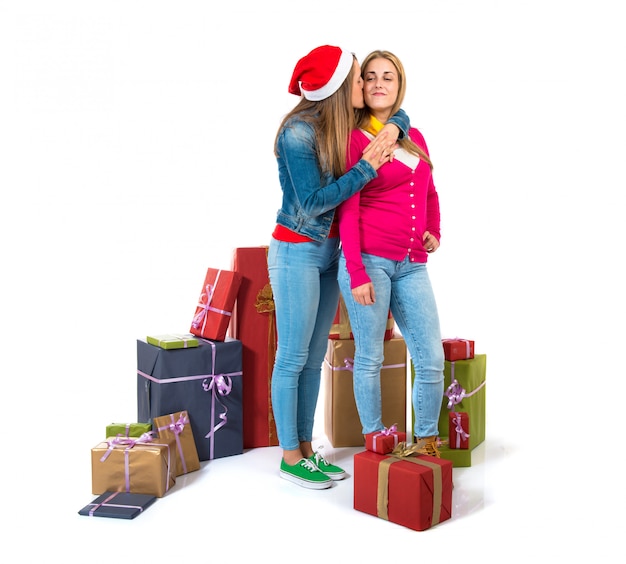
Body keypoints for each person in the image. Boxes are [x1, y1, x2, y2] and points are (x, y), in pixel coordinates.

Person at [268, 45, 411, 489]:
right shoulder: (298, 132)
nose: (364, 86)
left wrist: (394, 127)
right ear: (334, 88)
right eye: (355, 80)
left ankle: (308, 450)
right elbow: (311, 205)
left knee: (314, 358)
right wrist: (367, 167)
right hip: (297, 250)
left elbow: (401, 115)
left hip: (332, 253)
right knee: (292, 357)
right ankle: (290, 455)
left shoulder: (343, 122)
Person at [337, 50, 445, 457]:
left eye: (389, 77)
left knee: (430, 357)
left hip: (412, 264)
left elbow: (430, 190)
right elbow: (346, 208)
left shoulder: (413, 137)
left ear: (399, 86)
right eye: (371, 76)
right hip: (369, 260)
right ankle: (376, 441)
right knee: (371, 356)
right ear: (361, 85)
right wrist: (356, 271)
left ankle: (427, 441)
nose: (379, 83)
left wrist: (434, 229)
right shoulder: (351, 138)